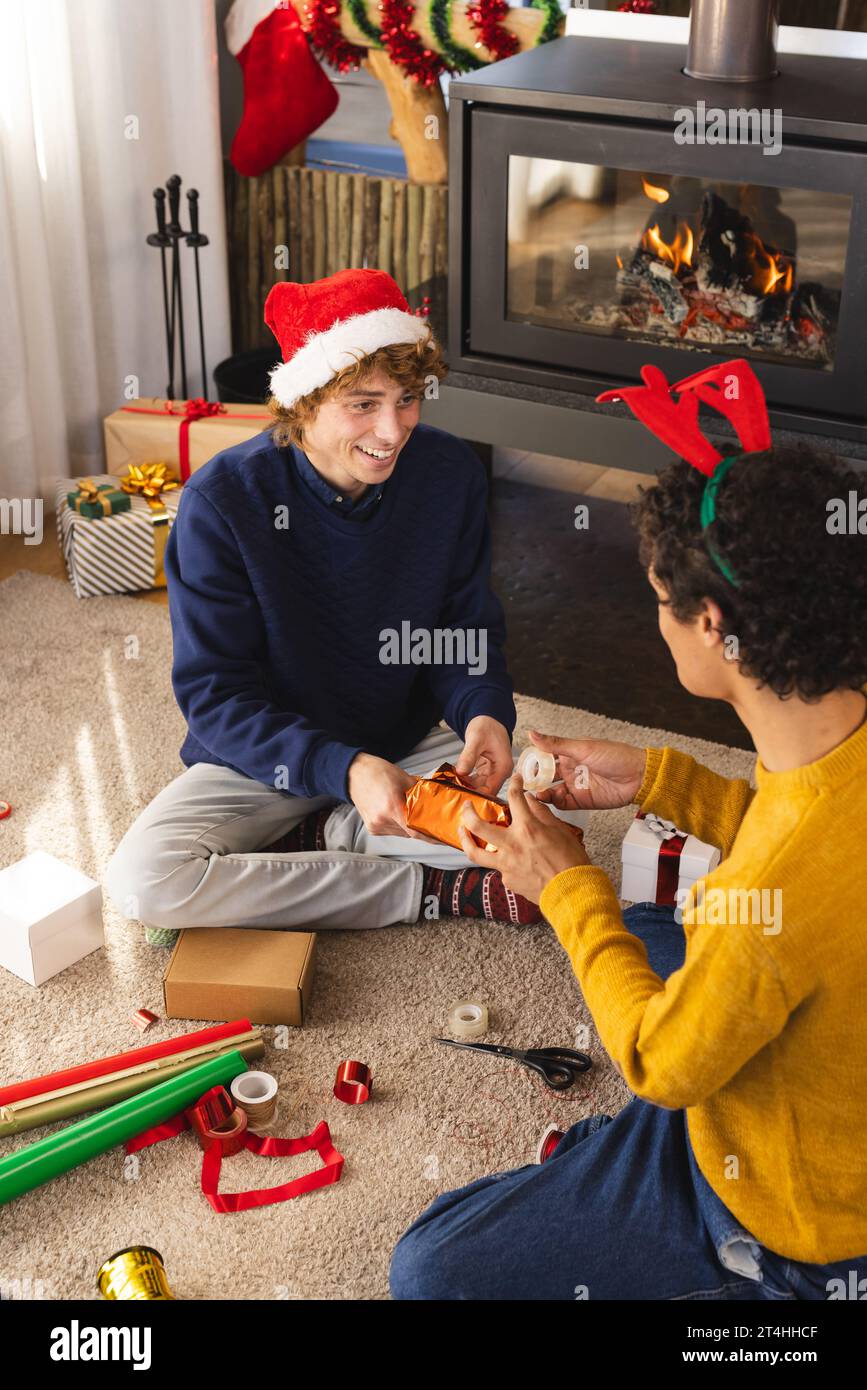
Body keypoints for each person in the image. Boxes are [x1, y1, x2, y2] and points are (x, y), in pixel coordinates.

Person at [389, 359, 867, 1300]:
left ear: (713, 623)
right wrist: (657, 776)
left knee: (429, 1268)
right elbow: (809, 844)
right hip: (813, 1043)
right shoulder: (832, 748)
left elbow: (657, 1061)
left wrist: (564, 885)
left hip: (793, 1227)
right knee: (653, 934)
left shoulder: (754, 910)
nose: (656, 621)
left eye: (658, 602)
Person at [105, 268, 584, 938]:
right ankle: (419, 888)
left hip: (405, 749)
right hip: (270, 762)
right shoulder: (222, 503)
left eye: (407, 399)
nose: (392, 431)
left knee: (558, 832)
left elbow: (459, 628)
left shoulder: (448, 475)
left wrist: (483, 715)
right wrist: (342, 768)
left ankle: (341, 826)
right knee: (144, 881)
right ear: (302, 404)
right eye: (362, 404)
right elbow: (216, 695)